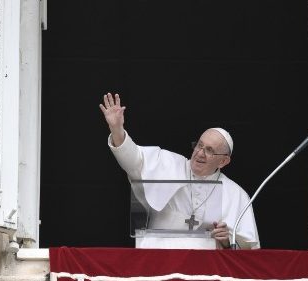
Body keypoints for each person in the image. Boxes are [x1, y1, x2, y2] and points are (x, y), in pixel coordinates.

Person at [99, 93, 260, 249]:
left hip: (205, 268)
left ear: (224, 161)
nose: (199, 153)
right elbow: (134, 160)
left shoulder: (236, 194)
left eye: (209, 150)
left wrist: (227, 242)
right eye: (199, 145)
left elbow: (249, 252)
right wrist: (117, 129)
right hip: (159, 259)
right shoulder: (168, 163)